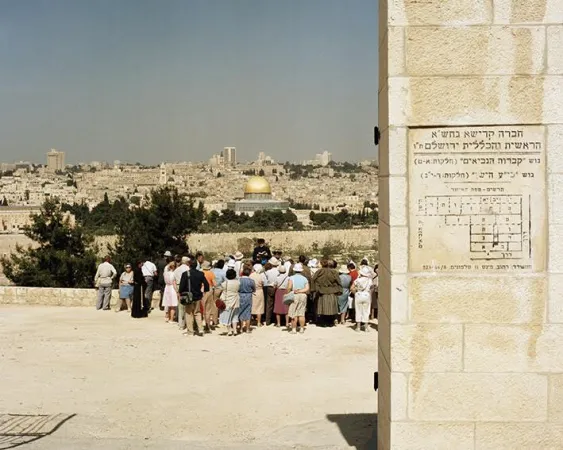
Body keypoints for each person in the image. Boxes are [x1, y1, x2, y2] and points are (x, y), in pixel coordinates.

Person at [179, 259, 210, 337]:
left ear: (189, 265)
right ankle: (200, 329)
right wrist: (204, 291)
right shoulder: (201, 274)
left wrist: (181, 293)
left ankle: (190, 331)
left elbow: (181, 286)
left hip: (188, 296)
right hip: (198, 296)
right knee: (198, 313)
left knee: (189, 313)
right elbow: (206, 285)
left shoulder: (185, 274)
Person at [312, 259, 342, 326]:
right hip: (332, 291)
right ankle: (331, 321)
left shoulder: (319, 272)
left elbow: (313, 280)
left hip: (322, 291)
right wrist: (340, 290)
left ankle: (323, 322)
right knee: (331, 307)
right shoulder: (334, 272)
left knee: (322, 307)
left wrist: (314, 289)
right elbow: (338, 282)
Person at [286, 263, 310, 334]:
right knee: (301, 313)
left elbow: (289, 287)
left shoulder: (291, 278)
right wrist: (300, 291)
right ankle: (302, 328)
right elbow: (307, 288)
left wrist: (289, 292)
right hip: (303, 295)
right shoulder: (304, 278)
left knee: (294, 313)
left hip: (295, 295)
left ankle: (294, 329)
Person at [351, 266, 374, 332]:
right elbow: (372, 288)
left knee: (358, 310)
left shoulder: (357, 280)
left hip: (359, 294)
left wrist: (355, 293)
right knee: (366, 311)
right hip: (366, 295)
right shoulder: (369, 280)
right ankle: (366, 327)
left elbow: (352, 288)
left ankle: (358, 327)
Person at [219, 269, 241, 336]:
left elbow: (222, 291)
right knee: (235, 316)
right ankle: (235, 330)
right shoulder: (238, 282)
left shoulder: (224, 283)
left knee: (227, 317)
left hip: (227, 301)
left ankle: (229, 331)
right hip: (236, 300)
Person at [238, 267, 255, 333]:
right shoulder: (251, 281)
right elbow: (254, 289)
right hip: (248, 296)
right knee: (248, 312)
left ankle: (241, 328)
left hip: (240, 295)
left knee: (240, 311)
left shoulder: (239, 280)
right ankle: (247, 329)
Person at [201, 261, 217, 332]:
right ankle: (207, 326)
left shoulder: (200, 272)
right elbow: (215, 284)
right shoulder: (210, 273)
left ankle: (199, 325)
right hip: (209, 290)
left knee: (201, 308)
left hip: (201, 290)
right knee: (208, 309)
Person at [174, 256, 189, 329]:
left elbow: (173, 280)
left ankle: (181, 324)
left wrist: (176, 290)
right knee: (187, 306)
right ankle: (187, 323)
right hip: (186, 287)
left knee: (180, 306)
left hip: (178, 286)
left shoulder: (177, 269)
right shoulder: (188, 269)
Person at [264, 258, 280, 326]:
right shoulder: (279, 272)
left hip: (270, 287)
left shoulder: (268, 272)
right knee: (277, 304)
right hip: (277, 287)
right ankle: (277, 320)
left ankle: (268, 320)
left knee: (269, 304)